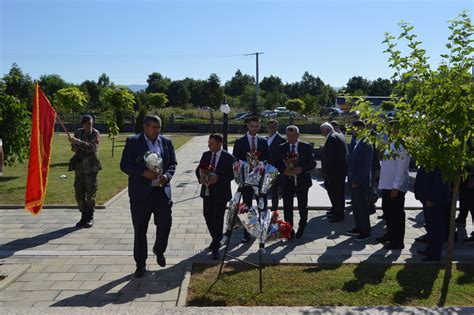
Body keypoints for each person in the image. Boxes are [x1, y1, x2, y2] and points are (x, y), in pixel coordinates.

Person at [120, 115, 177, 278]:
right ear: (145, 127)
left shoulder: (166, 142)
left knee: (165, 223)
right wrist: (143, 173)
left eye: (159, 127)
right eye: (154, 127)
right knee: (140, 229)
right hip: (141, 194)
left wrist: (166, 176)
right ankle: (140, 264)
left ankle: (159, 250)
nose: (157, 130)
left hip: (161, 192)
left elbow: (172, 163)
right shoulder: (133, 142)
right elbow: (124, 165)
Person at [195, 134, 235, 260]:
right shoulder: (206, 155)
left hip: (221, 193)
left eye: (211, 143)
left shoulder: (229, 158)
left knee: (218, 218)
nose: (209, 145)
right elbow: (199, 169)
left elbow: (232, 175)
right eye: (209, 143)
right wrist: (201, 177)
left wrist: (218, 178)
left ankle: (216, 246)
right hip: (207, 191)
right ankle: (216, 238)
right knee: (207, 215)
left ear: (219, 144)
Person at [232, 116, 270, 243]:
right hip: (246, 179)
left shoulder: (264, 141)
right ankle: (247, 233)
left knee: (262, 205)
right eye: (252, 126)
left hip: (260, 180)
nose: (254, 128)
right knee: (247, 206)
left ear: (259, 126)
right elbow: (235, 159)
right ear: (248, 126)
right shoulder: (240, 141)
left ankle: (261, 230)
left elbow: (268, 158)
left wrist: (260, 164)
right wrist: (246, 164)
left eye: (257, 126)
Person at [276, 125, 316, 239]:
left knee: (302, 205)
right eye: (288, 136)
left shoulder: (306, 147)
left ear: (298, 135)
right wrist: (284, 171)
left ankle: (302, 225)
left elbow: (312, 163)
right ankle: (289, 229)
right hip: (287, 181)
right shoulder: (281, 147)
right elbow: (277, 162)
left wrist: (301, 169)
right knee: (287, 206)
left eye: (293, 136)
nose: (290, 138)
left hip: (302, 181)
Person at [376, 124, 410, 250]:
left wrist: (396, 186)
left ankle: (397, 241)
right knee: (388, 212)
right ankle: (390, 235)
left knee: (396, 214)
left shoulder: (401, 146)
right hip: (387, 184)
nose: (390, 131)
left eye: (393, 129)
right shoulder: (391, 144)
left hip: (395, 187)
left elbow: (401, 168)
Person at [68, 115, 102, 228]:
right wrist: (73, 143)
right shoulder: (79, 132)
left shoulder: (95, 133)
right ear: (83, 124)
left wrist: (78, 142)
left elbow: (92, 147)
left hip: (91, 167)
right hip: (79, 166)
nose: (89, 125)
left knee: (91, 192)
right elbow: (74, 149)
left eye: (90, 123)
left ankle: (90, 217)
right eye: (86, 123)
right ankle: (83, 216)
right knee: (79, 192)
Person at [414, 166, 451, 261]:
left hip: (434, 201)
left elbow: (439, 182)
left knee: (437, 227)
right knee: (431, 226)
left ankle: (435, 254)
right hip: (428, 199)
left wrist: (431, 199)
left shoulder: (439, 160)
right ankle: (431, 249)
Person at [346, 120, 373, 241]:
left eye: (355, 129)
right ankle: (358, 227)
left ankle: (365, 231)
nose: (353, 131)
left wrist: (357, 180)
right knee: (356, 206)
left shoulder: (366, 142)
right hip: (354, 180)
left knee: (362, 207)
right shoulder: (358, 141)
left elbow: (365, 165)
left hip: (360, 182)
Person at [320, 122, 348, 223]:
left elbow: (330, 158)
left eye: (321, 130)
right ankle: (335, 210)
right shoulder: (337, 135)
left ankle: (338, 215)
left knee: (336, 194)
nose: (321, 132)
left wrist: (326, 171)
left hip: (334, 172)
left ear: (325, 129)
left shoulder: (332, 138)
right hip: (339, 171)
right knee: (337, 193)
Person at [266, 119, 286, 211]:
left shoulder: (282, 140)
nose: (272, 129)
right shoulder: (265, 139)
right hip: (264, 169)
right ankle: (263, 210)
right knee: (263, 191)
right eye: (270, 127)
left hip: (275, 170)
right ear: (267, 128)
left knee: (275, 193)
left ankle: (274, 211)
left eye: (273, 127)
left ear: (277, 127)